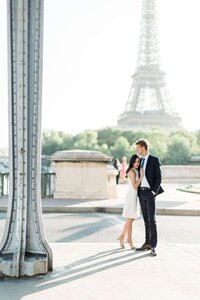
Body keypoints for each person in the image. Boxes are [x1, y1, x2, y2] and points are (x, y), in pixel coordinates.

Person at [135, 139, 164, 256]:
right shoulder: (140, 161)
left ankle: (153, 246)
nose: (137, 150)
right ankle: (147, 243)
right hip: (141, 193)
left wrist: (153, 191)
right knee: (146, 220)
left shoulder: (154, 159)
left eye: (138, 148)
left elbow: (159, 177)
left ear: (143, 147)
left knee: (152, 220)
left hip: (150, 193)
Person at [117, 154, 144, 249]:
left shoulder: (136, 170)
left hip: (134, 197)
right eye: (135, 161)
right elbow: (135, 186)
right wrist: (141, 177)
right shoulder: (132, 172)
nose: (137, 163)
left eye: (138, 162)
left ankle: (122, 236)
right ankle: (130, 240)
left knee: (131, 219)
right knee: (130, 219)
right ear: (132, 162)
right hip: (131, 197)